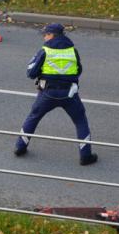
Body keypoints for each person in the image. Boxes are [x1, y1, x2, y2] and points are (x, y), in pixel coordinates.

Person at [14, 23, 97, 165]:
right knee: (80, 121)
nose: (44, 37)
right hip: (69, 94)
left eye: (46, 34)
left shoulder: (45, 51)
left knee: (34, 117)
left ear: (52, 35)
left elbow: (31, 73)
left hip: (47, 93)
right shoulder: (73, 51)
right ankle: (85, 155)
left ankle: (20, 147)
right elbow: (78, 70)